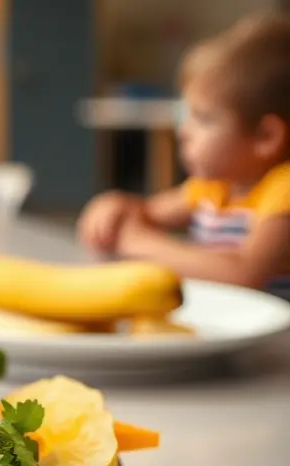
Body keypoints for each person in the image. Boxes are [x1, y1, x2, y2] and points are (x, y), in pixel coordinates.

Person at [78, 13, 290, 291]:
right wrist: (113, 206)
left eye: (203, 119)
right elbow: (145, 212)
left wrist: (139, 243)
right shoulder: (213, 188)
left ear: (266, 137)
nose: (184, 132)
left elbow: (245, 273)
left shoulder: (282, 190)